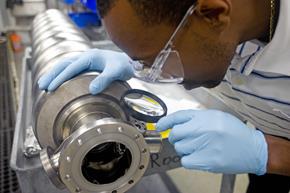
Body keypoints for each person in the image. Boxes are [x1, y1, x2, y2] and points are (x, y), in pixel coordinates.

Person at [38, 0, 290, 192]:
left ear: (213, 13)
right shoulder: (221, 34)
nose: (153, 76)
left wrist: (271, 154)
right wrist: (135, 61)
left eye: (156, 61)